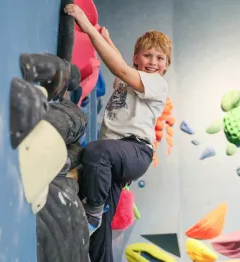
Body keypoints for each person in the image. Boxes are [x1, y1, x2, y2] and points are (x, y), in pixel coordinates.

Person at [64, 4, 172, 261]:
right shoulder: (129, 78)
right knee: (100, 238)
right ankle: (96, 222)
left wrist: (88, 28)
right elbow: (122, 66)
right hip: (112, 161)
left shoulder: (157, 84)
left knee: (94, 151)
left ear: (166, 65)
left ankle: (91, 212)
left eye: (160, 58)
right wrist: (107, 40)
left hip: (135, 152)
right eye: (147, 56)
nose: (153, 62)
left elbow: (121, 68)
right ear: (137, 58)